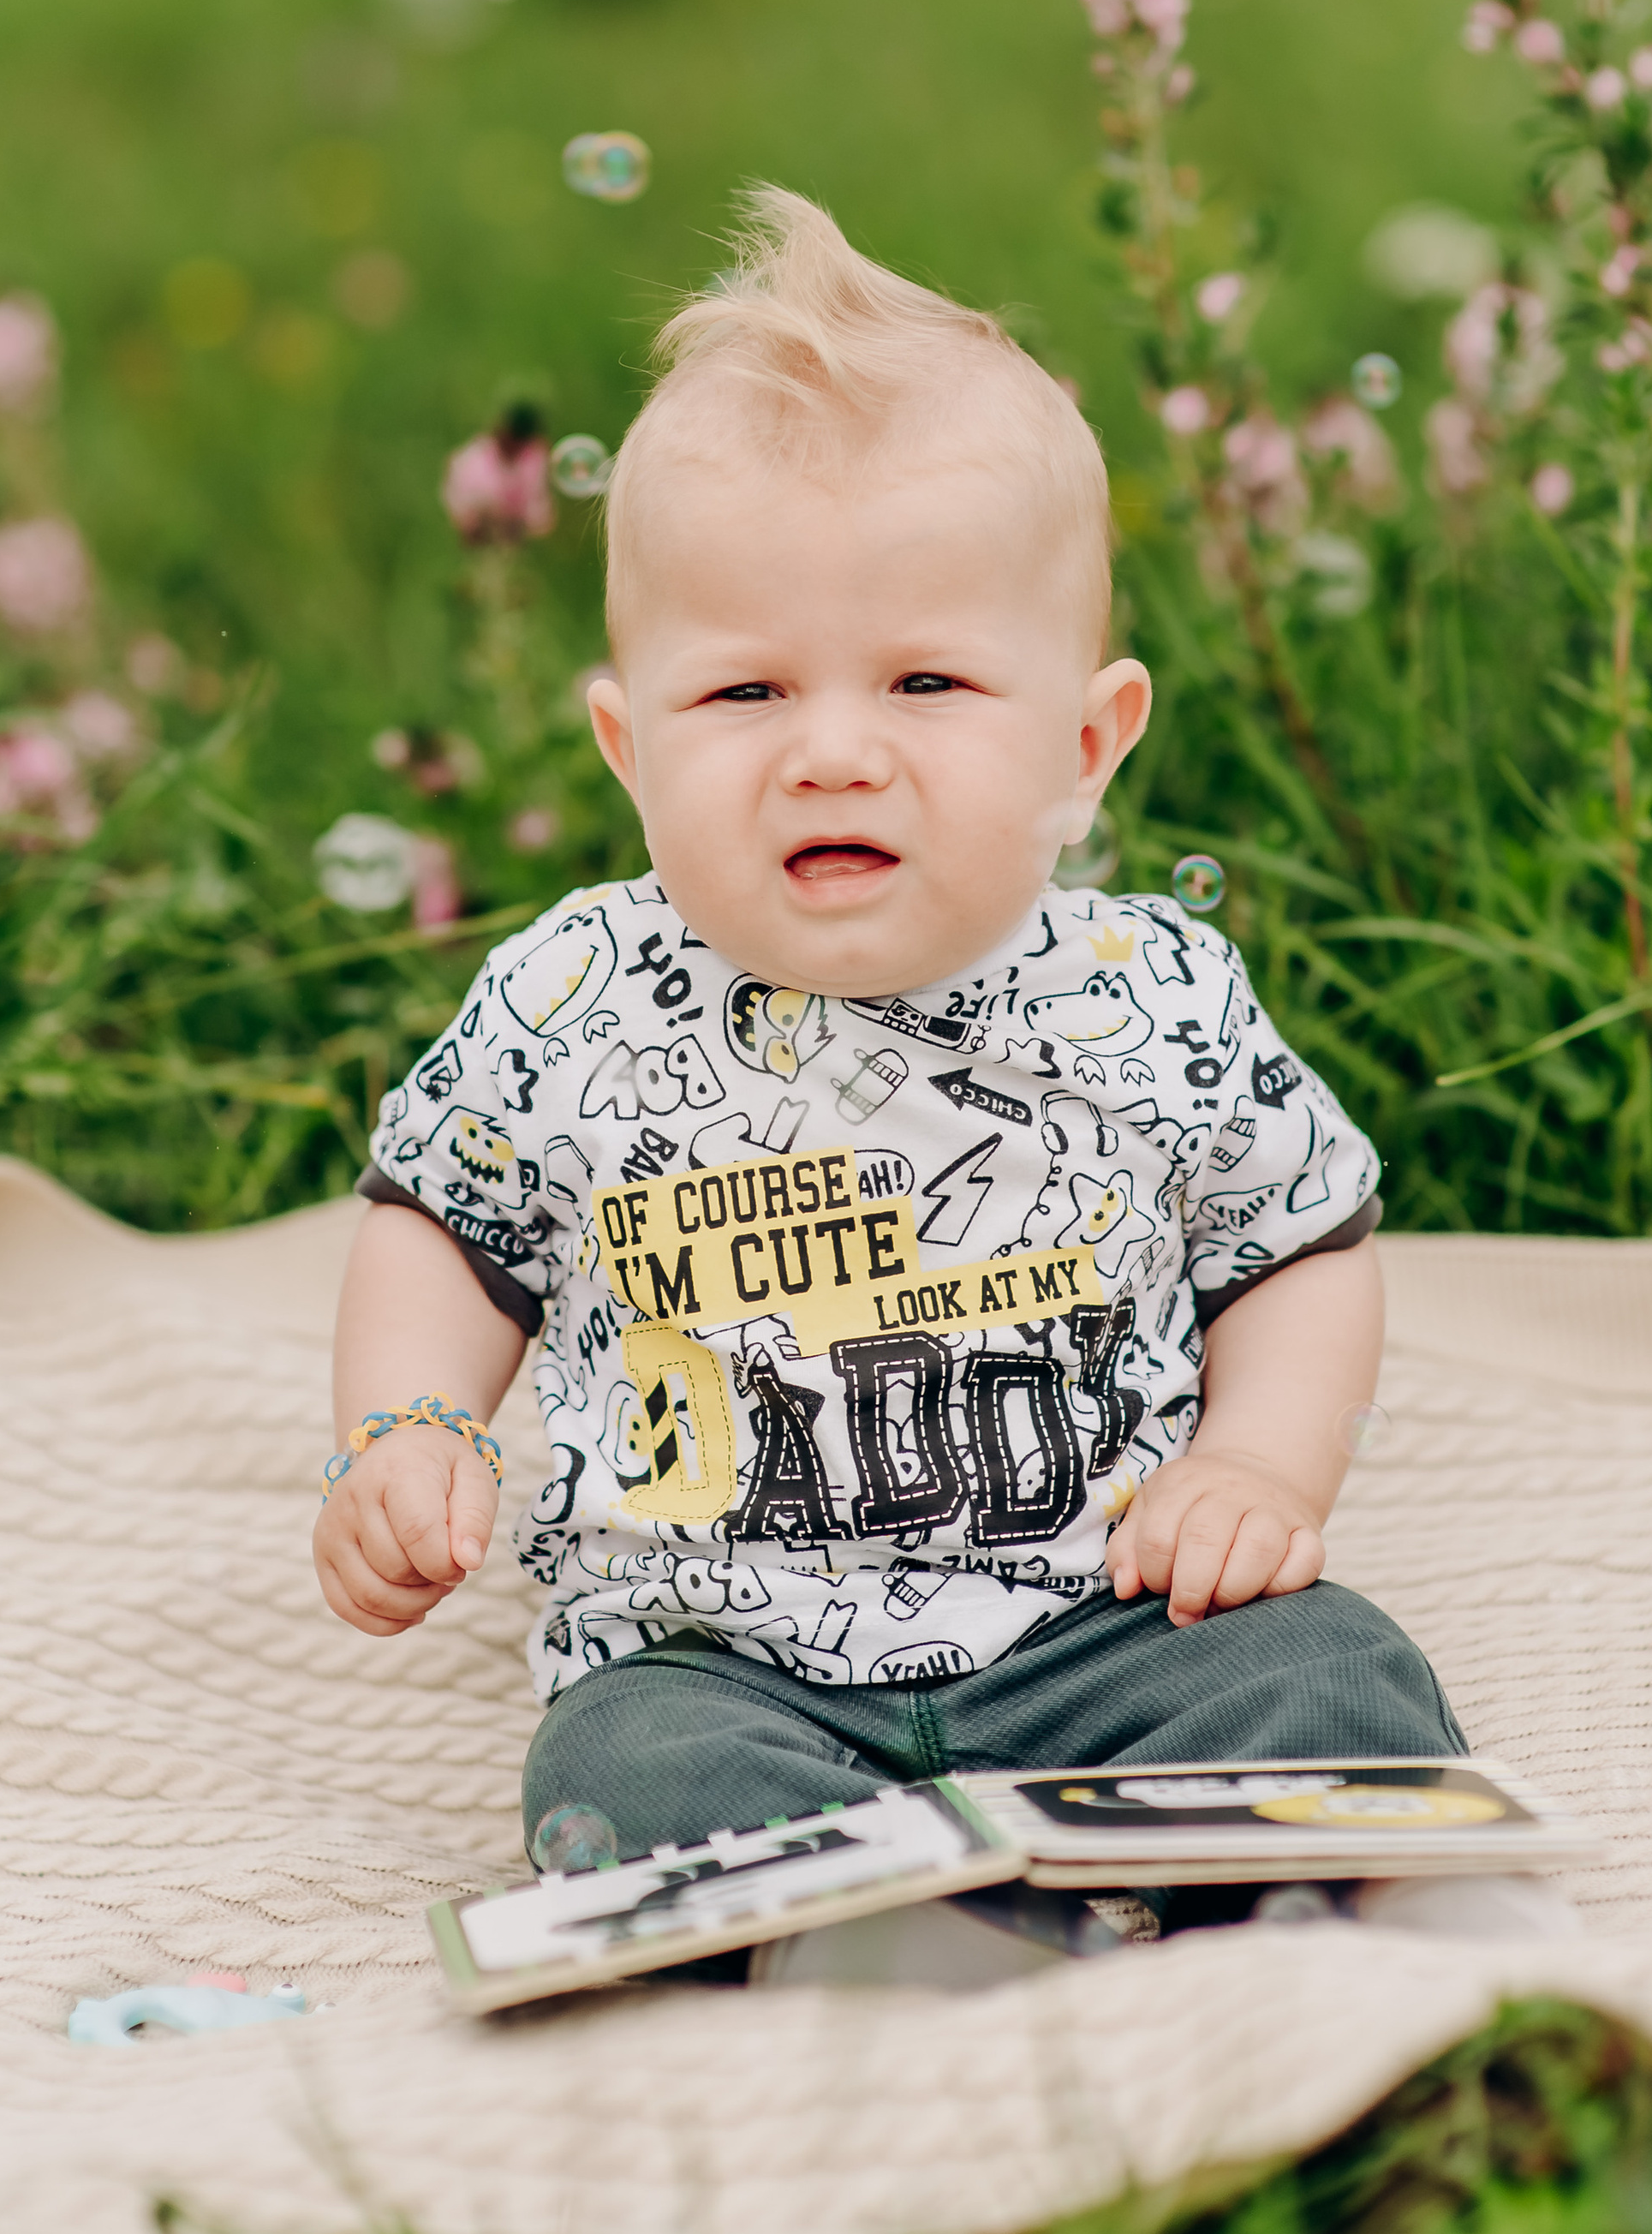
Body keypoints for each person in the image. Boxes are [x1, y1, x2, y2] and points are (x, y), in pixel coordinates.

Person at [315, 188, 1465, 1893]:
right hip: (717, 1661)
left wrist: (1247, 1465)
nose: (832, 753)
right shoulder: (568, 1003)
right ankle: (855, 1916)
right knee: (612, 1782)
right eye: (745, 692)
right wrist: (404, 1428)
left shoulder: (1148, 1001)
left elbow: (1296, 1248)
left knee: (1337, 1681)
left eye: (924, 685)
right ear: (629, 750)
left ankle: (1158, 1897)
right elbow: (444, 1232)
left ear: (1085, 744)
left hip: (1110, 1622)